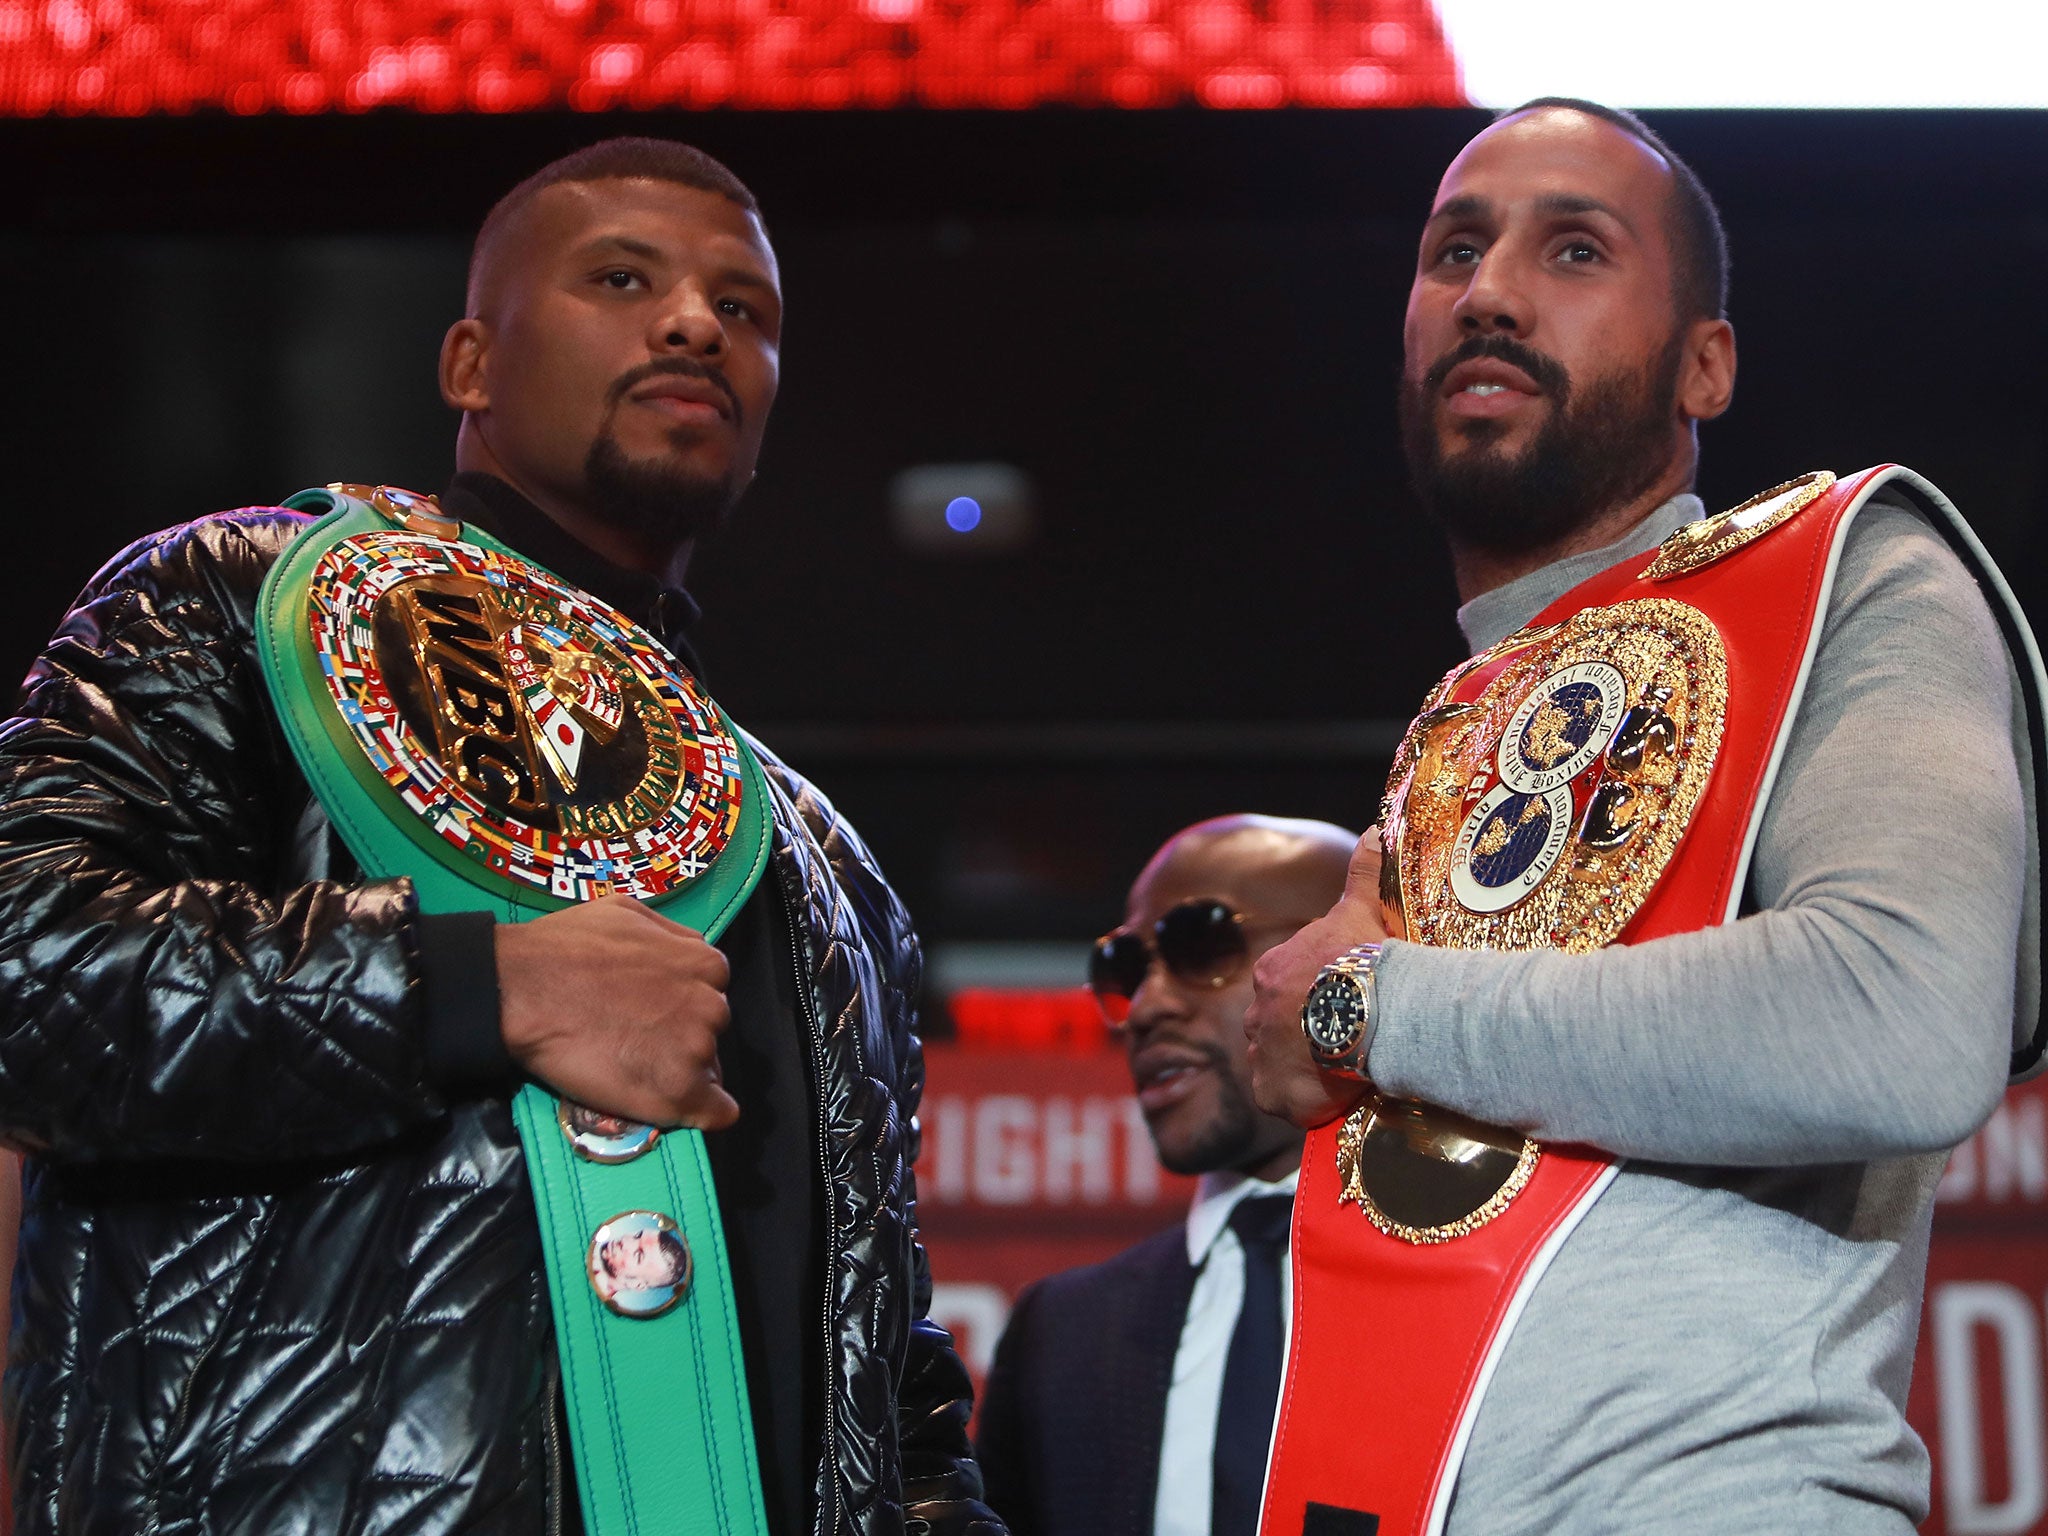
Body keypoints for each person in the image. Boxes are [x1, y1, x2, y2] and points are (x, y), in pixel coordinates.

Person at [0, 138, 999, 1536]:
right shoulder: (235, 600)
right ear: (469, 363)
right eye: (621, 277)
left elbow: (884, 1364)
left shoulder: (822, 863)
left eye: (746, 309)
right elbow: (25, 975)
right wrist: (471, 986)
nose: (696, 324)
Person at [1244, 100, 2045, 1535]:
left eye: (1572, 250)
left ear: (1707, 364)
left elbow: (1899, 1016)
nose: (1488, 292)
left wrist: (1365, 1009)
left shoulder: (1854, 575)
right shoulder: (1459, 720)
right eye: (1453, 253)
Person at [976, 815, 1356, 1536]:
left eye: (1200, 944)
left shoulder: (1492, 1286)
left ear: (1359, 957)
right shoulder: (1061, 1337)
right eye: (1125, 970)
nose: (1144, 1008)